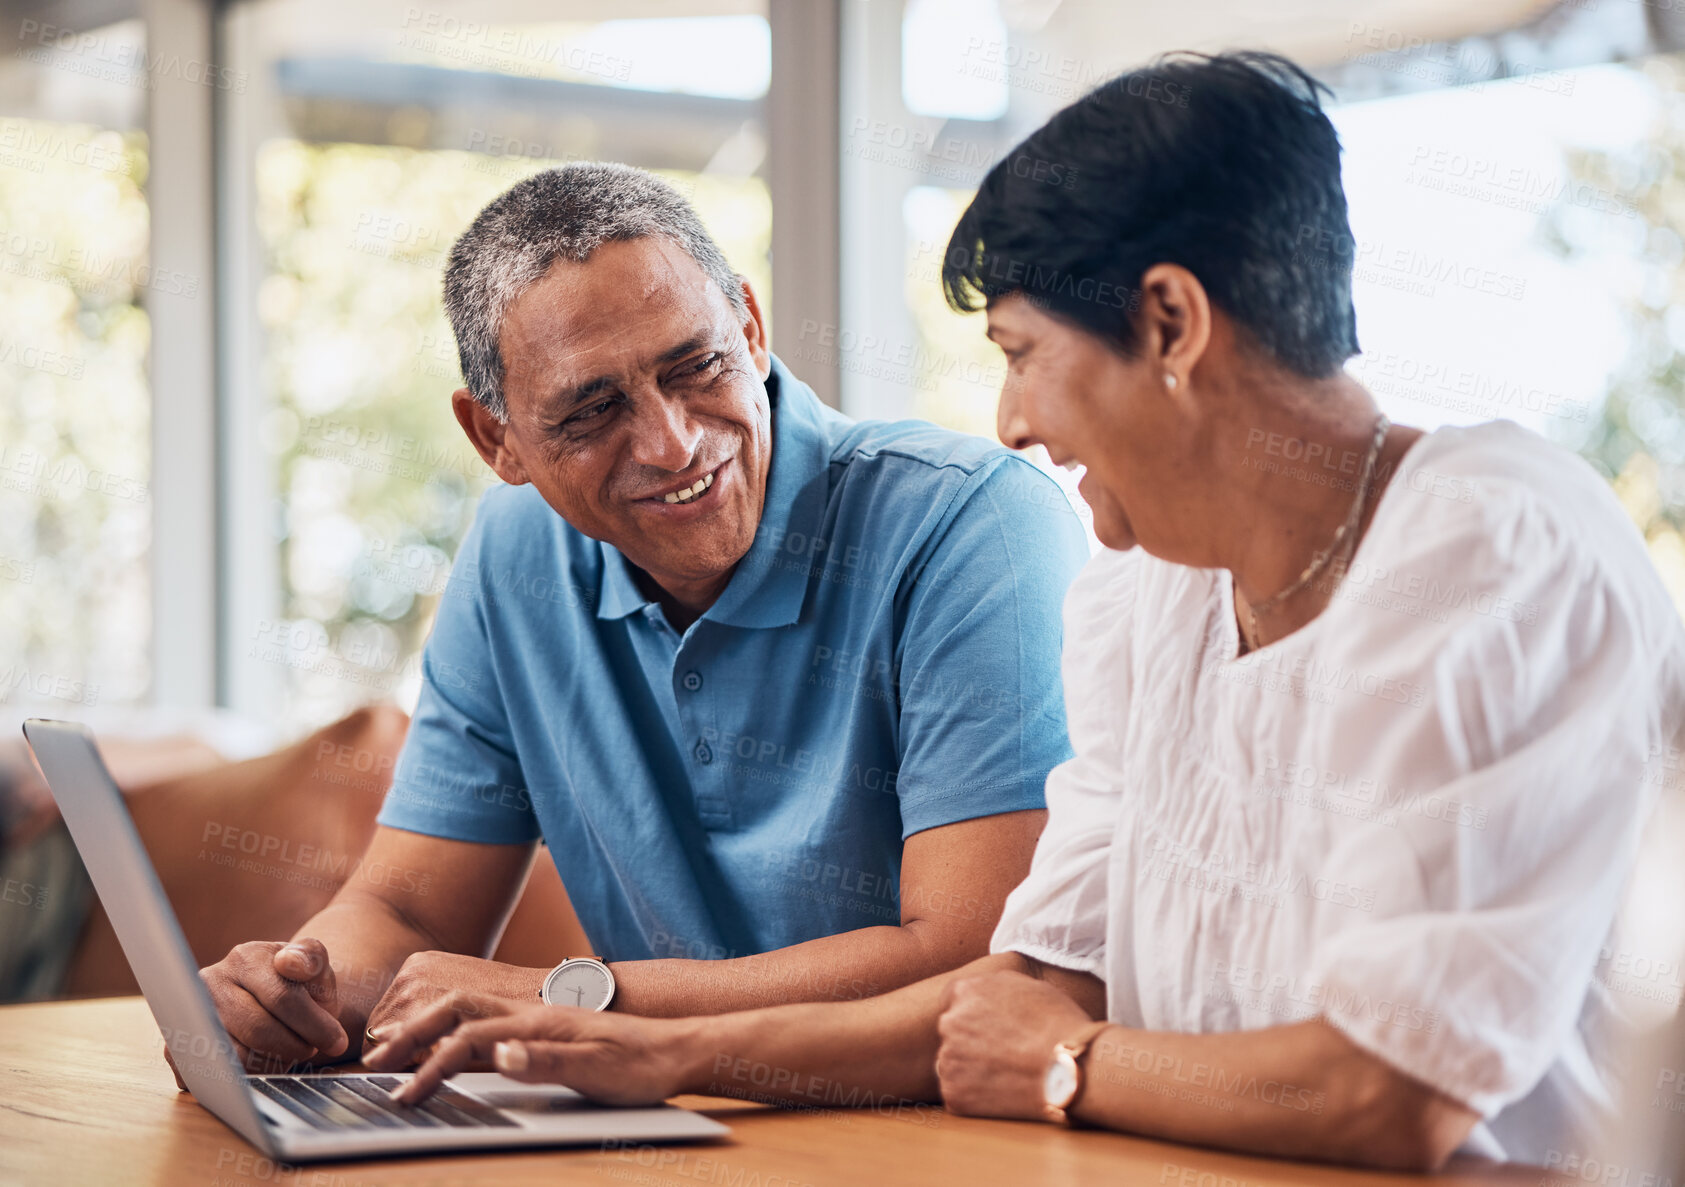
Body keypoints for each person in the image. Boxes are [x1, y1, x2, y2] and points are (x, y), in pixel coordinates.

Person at [366, 52, 1685, 1172]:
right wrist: (657, 1051)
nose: (1010, 420)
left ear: (1169, 323)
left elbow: (1396, 1086)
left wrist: (1074, 1067)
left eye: (1021, 353)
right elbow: (1024, 983)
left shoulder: (1490, 542)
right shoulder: (1146, 588)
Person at [188, 164, 1089, 1074]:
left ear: (750, 325)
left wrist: (573, 999)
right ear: (494, 439)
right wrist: (297, 984)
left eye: (695, 365)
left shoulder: (973, 523)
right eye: (592, 410)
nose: (673, 443)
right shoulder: (515, 557)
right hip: (663, 1133)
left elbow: (971, 959)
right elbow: (407, 914)